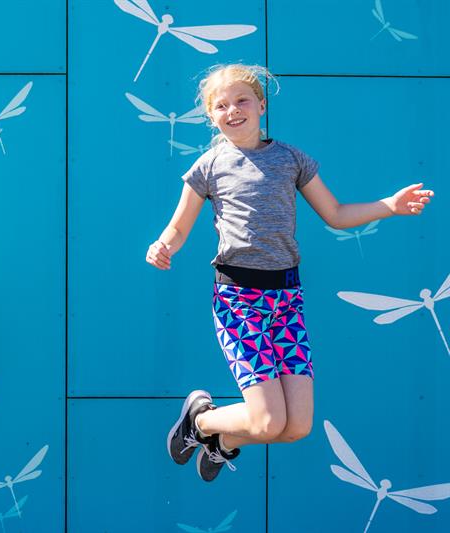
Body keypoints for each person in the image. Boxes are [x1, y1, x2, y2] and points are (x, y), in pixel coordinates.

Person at [147, 64, 433, 482]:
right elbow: (178, 226)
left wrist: (388, 205)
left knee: (296, 426)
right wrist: (163, 246)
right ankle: (201, 421)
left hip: (285, 301)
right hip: (239, 300)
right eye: (221, 105)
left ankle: (224, 442)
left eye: (242, 100)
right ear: (211, 116)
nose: (233, 111)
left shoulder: (290, 158)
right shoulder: (208, 167)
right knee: (266, 422)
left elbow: (335, 214)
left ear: (261, 104)